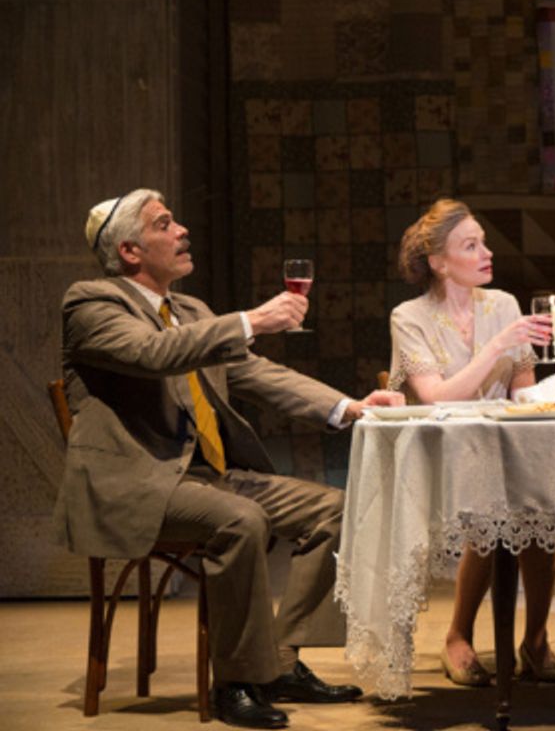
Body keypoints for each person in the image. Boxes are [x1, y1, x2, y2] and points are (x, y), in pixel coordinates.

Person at [54, 188, 404, 729]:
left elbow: (255, 375)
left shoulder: (190, 311)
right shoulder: (92, 304)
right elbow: (155, 354)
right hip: (136, 481)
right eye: (164, 224)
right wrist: (251, 319)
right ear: (129, 251)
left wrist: (347, 406)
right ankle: (236, 682)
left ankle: (279, 663)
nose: (181, 231)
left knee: (336, 511)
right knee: (241, 520)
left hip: (206, 476)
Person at [387, 198, 555, 686]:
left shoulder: (503, 304)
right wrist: (495, 348)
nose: (487, 252)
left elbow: (525, 393)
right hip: (444, 452)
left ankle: (535, 638)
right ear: (439, 263)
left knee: (545, 510)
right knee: (493, 510)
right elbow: (437, 397)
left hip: (504, 447)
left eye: (483, 241)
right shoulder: (410, 316)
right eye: (471, 245)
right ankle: (458, 636)